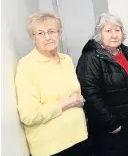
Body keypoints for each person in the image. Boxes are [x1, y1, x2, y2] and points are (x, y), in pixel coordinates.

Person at [15, 12, 90, 156]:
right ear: (32, 37)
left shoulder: (66, 60)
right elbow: (29, 115)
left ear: (59, 34)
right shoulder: (26, 65)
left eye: (51, 31)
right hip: (52, 148)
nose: (48, 37)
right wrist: (65, 103)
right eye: (40, 33)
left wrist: (79, 99)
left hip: (80, 138)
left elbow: (76, 95)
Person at [76, 13, 128, 156]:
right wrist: (111, 123)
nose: (114, 35)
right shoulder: (90, 57)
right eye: (108, 31)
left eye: (117, 30)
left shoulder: (125, 52)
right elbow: (89, 94)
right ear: (99, 34)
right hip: (111, 128)